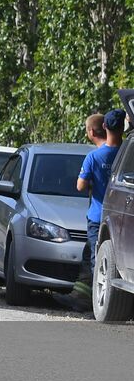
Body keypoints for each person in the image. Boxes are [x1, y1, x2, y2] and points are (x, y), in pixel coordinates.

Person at [77, 109, 125, 290]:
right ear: (123, 127)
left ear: (105, 127)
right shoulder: (128, 155)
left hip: (98, 216)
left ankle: (98, 299)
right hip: (123, 217)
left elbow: (80, 186)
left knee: (97, 260)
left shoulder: (94, 156)